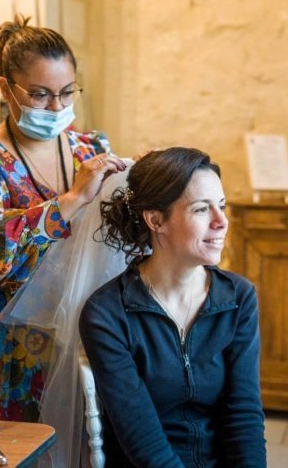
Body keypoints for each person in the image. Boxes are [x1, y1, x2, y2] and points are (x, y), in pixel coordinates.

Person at [0, 14, 126, 426]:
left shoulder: (90, 148)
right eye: (41, 94)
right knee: (1, 444)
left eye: (67, 93)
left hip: (74, 330)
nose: (57, 107)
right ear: (7, 88)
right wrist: (71, 199)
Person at [79, 147, 267, 467]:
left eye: (221, 206)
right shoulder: (107, 314)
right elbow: (141, 438)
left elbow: (243, 414)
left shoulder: (238, 297)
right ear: (156, 219)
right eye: (201, 210)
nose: (222, 222)